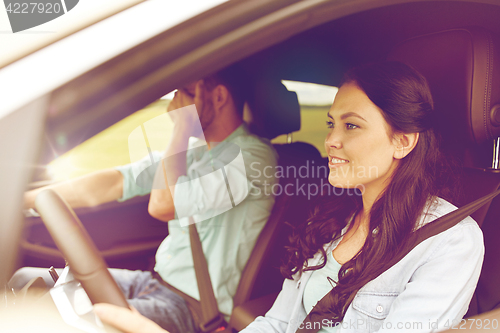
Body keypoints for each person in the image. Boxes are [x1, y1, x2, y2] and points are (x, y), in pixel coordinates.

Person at [92, 61, 484, 333]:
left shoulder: (449, 242)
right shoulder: (335, 222)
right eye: (331, 124)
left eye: (351, 125)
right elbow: (277, 323)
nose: (331, 139)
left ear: (402, 140)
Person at [11, 67, 278, 333]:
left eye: (185, 93)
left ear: (219, 97)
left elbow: (163, 204)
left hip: (194, 309)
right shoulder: (197, 154)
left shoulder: (252, 159)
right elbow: (116, 181)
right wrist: (18, 201)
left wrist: (183, 125)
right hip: (154, 281)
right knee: (25, 282)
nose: (174, 105)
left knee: (53, 319)